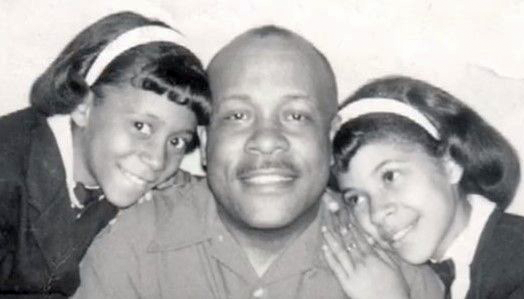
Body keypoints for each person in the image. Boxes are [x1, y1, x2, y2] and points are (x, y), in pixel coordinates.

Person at [73, 27, 443, 299]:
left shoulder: (395, 270)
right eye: (237, 116)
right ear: (204, 143)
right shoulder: (132, 246)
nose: (267, 140)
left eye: (296, 116)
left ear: (330, 141)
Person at [0, 11, 210, 297]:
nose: (157, 159)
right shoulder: (8, 169)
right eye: (141, 126)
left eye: (176, 142)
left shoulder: (115, 170)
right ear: (83, 106)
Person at [324, 76, 524, 298]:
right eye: (356, 198)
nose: (377, 213)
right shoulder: (412, 268)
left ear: (451, 163)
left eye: (390, 176)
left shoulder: (521, 260)